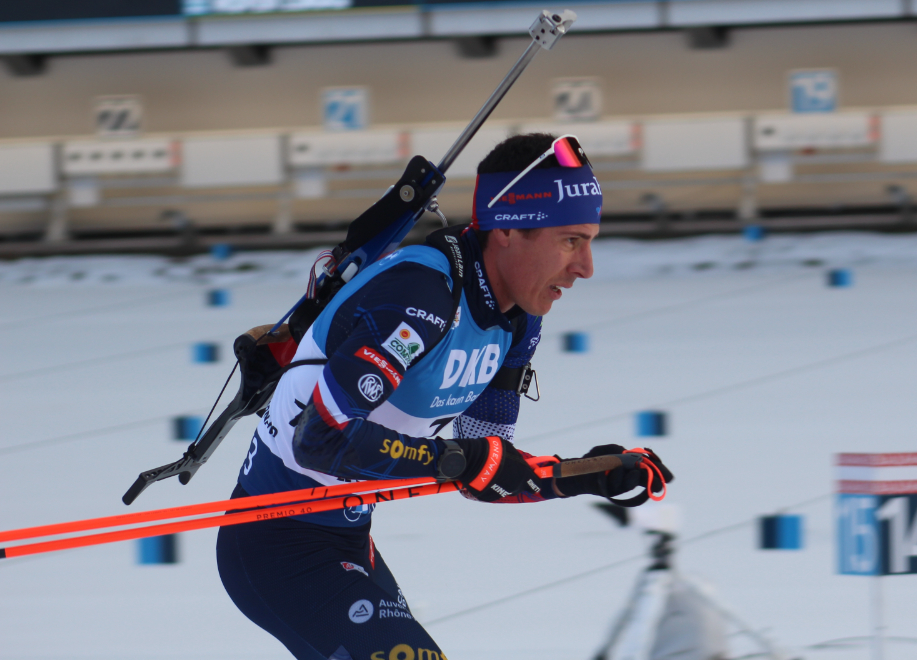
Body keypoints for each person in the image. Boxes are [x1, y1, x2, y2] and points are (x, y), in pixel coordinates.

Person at [216, 133, 672, 660]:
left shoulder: (516, 323)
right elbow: (318, 441)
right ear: (507, 230)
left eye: (590, 241)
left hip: (348, 540)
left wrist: (585, 476)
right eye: (571, 241)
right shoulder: (420, 296)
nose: (586, 266)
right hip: (278, 548)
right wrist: (458, 460)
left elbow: (487, 471)